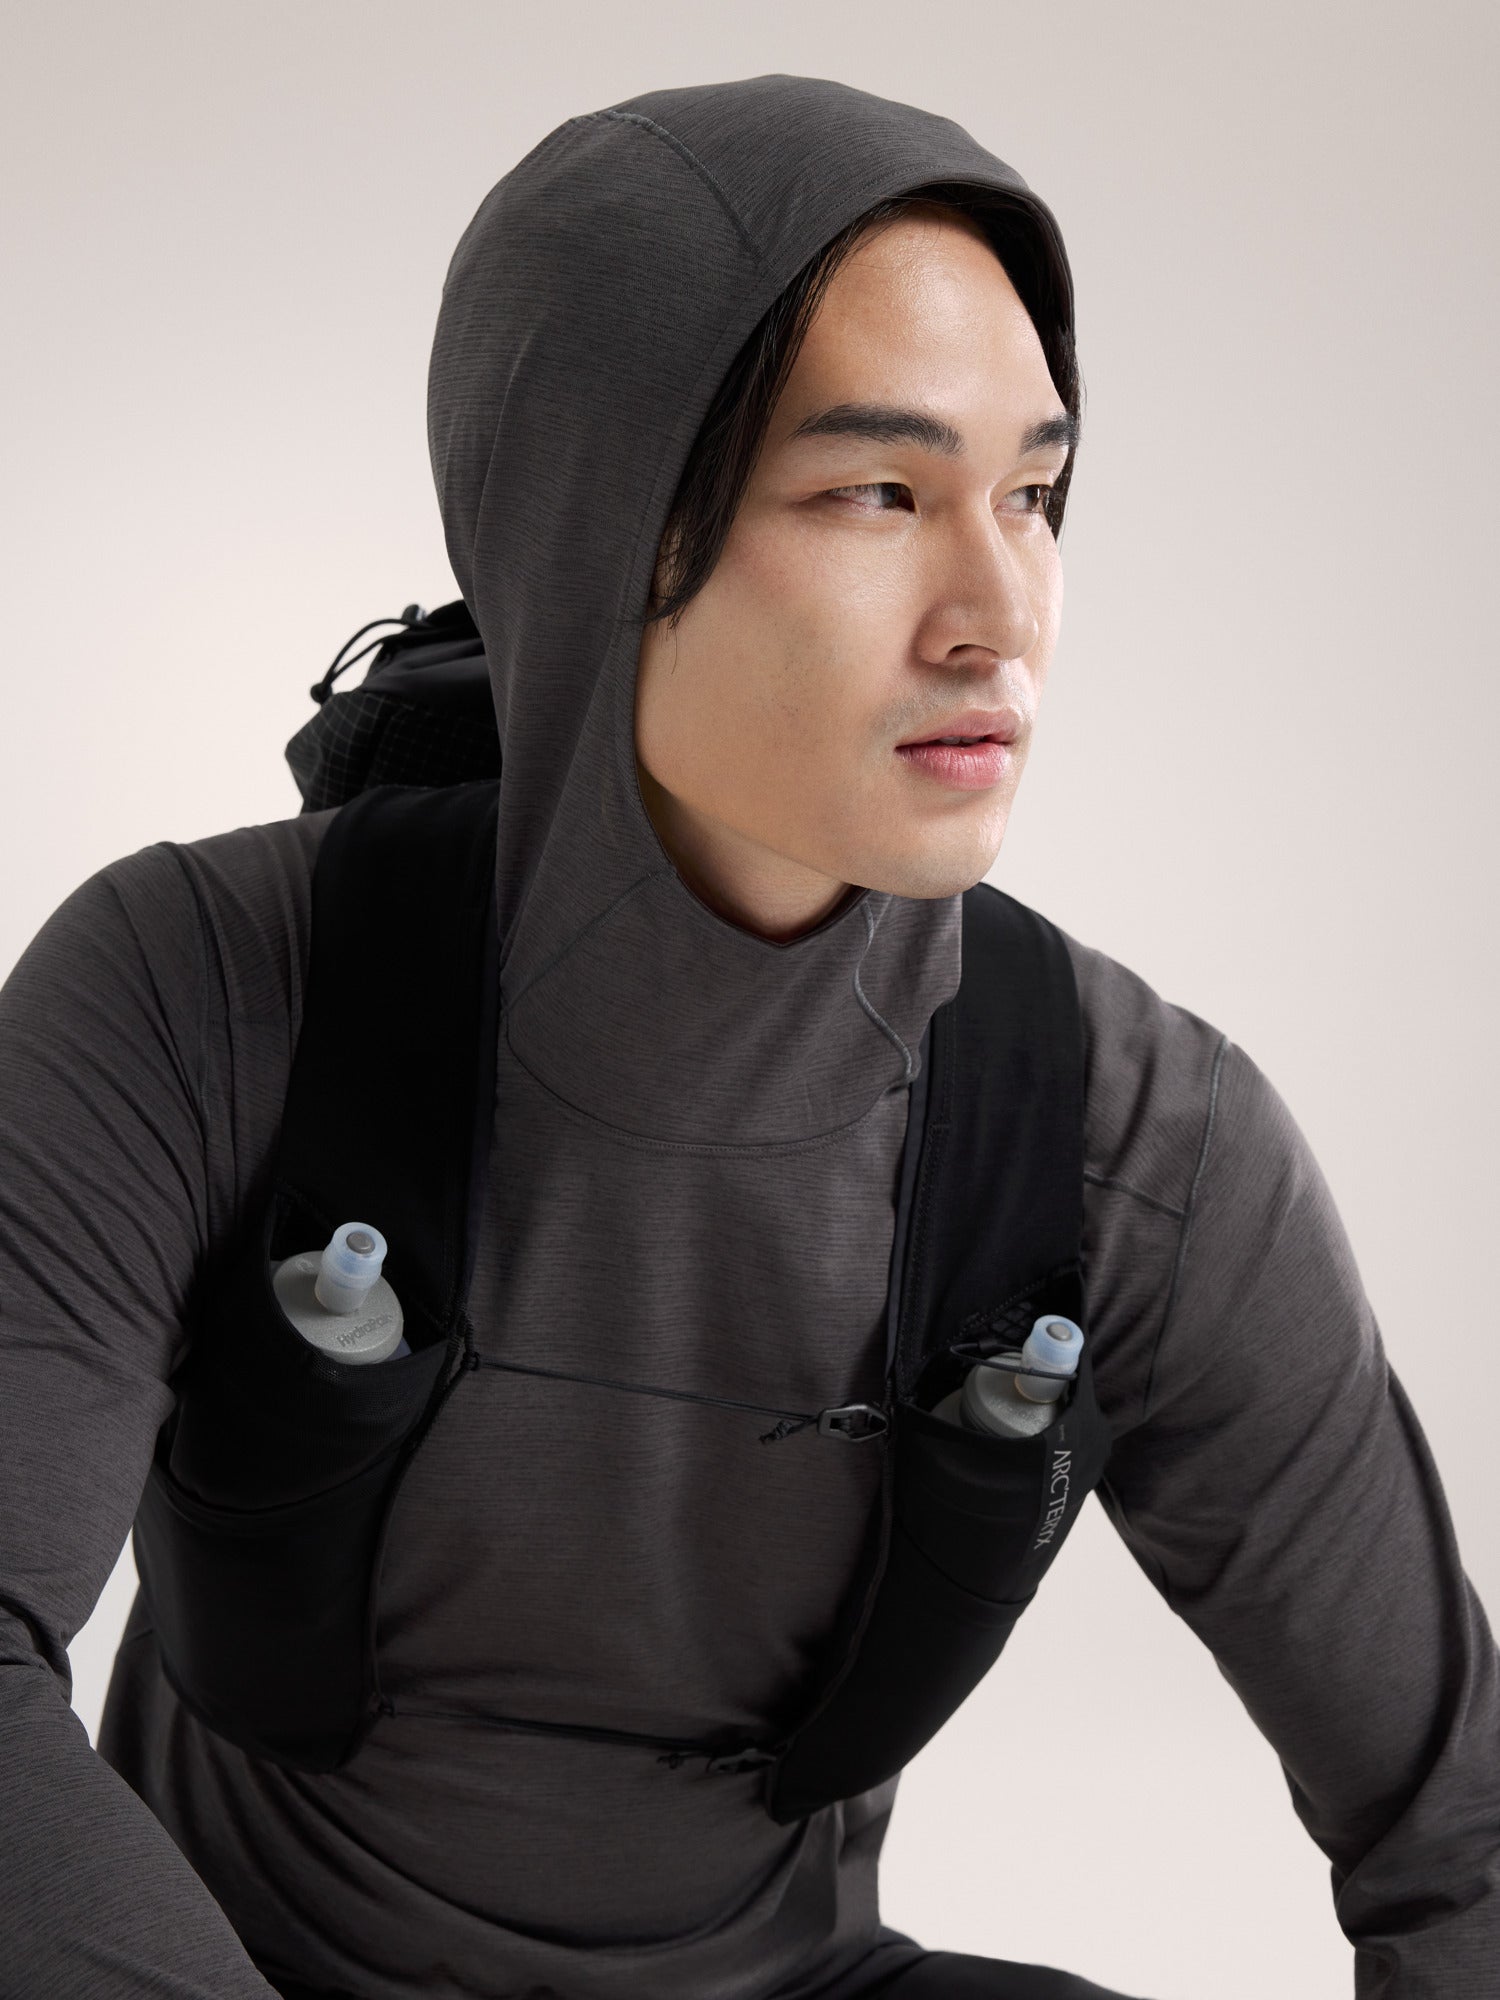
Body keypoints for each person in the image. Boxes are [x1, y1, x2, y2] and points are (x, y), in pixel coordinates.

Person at [0, 71, 1494, 2000]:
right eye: (878, 492)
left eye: (1033, 495)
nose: (1000, 614)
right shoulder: (194, 990)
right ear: (594, 529)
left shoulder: (1137, 1141)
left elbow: (1458, 1840)